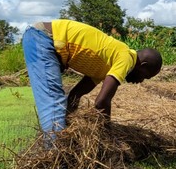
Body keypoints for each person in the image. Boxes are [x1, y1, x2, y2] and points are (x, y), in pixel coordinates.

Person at [22, 19, 162, 144]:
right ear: (142, 65)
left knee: (56, 102)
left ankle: (57, 144)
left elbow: (75, 96)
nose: (141, 81)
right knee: (53, 100)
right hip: (44, 37)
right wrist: (108, 136)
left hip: (41, 38)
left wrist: (71, 123)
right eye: (145, 76)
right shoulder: (126, 58)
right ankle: (54, 157)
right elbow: (102, 101)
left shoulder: (106, 64)